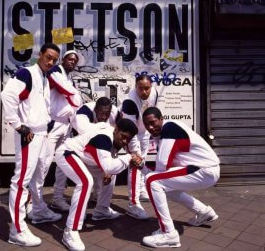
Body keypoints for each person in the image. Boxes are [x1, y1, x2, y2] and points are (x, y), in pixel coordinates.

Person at [1, 43, 61, 247]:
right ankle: (16, 229)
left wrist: (48, 122)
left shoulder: (44, 77)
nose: (51, 61)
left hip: (42, 133)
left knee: (39, 175)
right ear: (40, 55)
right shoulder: (27, 73)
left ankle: (38, 210)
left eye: (54, 59)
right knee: (21, 180)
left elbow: (37, 105)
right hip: (30, 135)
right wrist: (19, 126)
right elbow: (7, 96)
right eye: (48, 57)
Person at [55, 119, 141, 251]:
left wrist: (113, 168)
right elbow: (109, 166)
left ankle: (101, 210)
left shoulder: (114, 137)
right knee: (85, 182)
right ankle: (70, 230)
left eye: (128, 139)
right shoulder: (103, 138)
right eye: (123, 136)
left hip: (85, 158)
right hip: (68, 153)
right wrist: (129, 157)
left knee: (111, 175)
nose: (124, 141)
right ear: (116, 130)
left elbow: (111, 165)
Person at [141, 107, 220, 248]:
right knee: (166, 186)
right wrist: (143, 166)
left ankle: (168, 234)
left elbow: (162, 165)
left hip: (204, 170)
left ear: (161, 119)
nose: (151, 127)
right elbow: (164, 167)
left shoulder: (169, 129)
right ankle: (203, 212)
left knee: (152, 181)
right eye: (147, 125)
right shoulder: (167, 130)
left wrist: (144, 168)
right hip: (205, 169)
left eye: (153, 122)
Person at [71, 96, 121, 220]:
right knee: (85, 181)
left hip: (94, 150)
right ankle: (57, 199)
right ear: (95, 110)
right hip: (76, 151)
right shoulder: (83, 113)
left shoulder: (115, 112)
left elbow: (121, 134)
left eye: (107, 114)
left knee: (111, 172)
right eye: (101, 113)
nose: (104, 117)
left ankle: (101, 208)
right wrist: (108, 128)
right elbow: (88, 133)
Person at [47, 49, 85, 211]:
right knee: (43, 162)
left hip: (66, 125)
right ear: (63, 59)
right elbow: (72, 97)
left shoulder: (70, 78)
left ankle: (57, 198)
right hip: (52, 124)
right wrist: (75, 95)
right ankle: (32, 202)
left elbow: (76, 103)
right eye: (70, 59)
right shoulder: (55, 70)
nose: (72, 62)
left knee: (63, 164)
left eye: (75, 61)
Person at [120, 74, 158, 219]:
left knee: (143, 161)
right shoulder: (129, 102)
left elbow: (151, 113)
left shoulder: (154, 92)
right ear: (135, 87)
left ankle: (141, 190)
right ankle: (133, 204)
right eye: (140, 88)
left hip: (144, 132)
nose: (144, 92)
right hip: (130, 133)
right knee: (136, 163)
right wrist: (135, 152)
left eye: (147, 88)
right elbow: (130, 130)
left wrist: (149, 134)